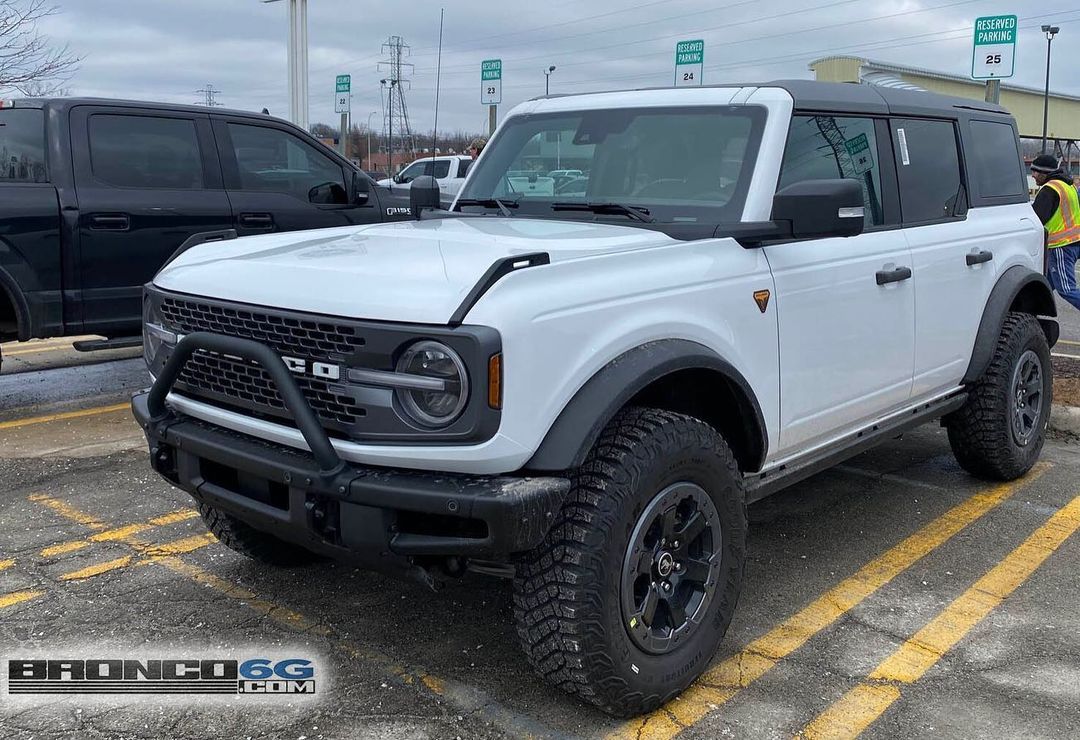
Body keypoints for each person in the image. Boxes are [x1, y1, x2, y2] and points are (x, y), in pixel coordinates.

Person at [1031, 154, 1080, 311]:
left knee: (1066, 289)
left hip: (1061, 245)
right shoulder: (1068, 186)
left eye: (1035, 171)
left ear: (1044, 172)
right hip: (1073, 242)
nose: (1033, 175)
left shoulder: (1049, 190)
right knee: (1045, 282)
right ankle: (1030, 313)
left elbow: (1037, 220)